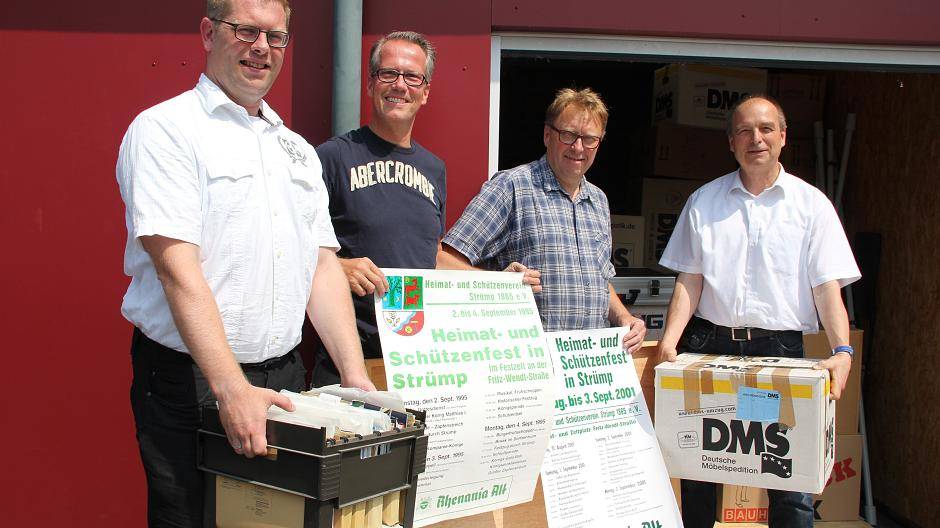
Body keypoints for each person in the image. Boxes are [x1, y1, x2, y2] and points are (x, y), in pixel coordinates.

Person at [116, 1, 374, 525]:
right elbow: (176, 269)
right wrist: (230, 389)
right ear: (209, 33)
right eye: (247, 32)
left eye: (276, 37)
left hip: (283, 379)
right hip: (192, 381)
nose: (262, 48)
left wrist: (353, 378)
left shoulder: (296, 151)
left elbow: (321, 266)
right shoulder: (166, 130)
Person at [656, 94, 860, 528]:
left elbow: (827, 289)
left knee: (786, 474)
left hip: (777, 355)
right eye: (745, 131)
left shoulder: (812, 207)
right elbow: (689, 280)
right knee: (698, 472)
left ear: (783, 137)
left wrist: (843, 350)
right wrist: (669, 343)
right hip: (709, 347)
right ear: (731, 142)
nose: (756, 139)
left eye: (766, 129)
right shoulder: (704, 202)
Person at [438, 87, 646, 348]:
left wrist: (624, 318)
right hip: (529, 365)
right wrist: (499, 283)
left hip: (588, 365)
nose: (578, 147)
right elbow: (442, 261)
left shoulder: (598, 200)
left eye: (589, 138)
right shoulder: (512, 187)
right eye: (568, 135)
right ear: (547, 135)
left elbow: (600, 281)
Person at [310, 31, 448, 386]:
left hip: (416, 356)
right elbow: (290, 248)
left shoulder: (434, 169)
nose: (400, 85)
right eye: (388, 73)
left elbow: (431, 256)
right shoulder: (332, 157)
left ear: (426, 92)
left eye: (412, 77)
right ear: (371, 84)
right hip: (349, 357)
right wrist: (338, 266)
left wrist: (502, 283)